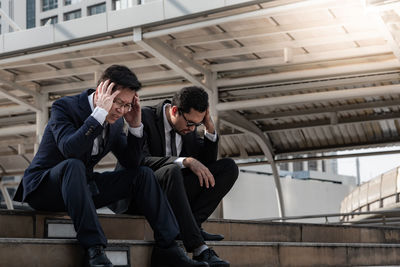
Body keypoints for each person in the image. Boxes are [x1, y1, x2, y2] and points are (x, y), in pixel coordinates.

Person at [13, 65, 208, 267]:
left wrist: (135, 127)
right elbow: (70, 149)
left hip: (81, 191)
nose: (122, 110)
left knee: (142, 174)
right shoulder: (65, 107)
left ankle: (168, 249)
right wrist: (98, 114)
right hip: (44, 188)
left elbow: (132, 162)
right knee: (73, 165)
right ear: (101, 93)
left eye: (127, 105)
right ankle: (94, 250)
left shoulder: (115, 123)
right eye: (118, 103)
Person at [115, 86, 238, 266]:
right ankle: (198, 247)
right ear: (174, 110)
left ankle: (192, 226)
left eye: (197, 124)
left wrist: (209, 129)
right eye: (190, 123)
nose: (192, 128)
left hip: (173, 195)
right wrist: (183, 161)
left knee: (228, 168)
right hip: (140, 195)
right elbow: (138, 161)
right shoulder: (146, 118)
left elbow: (206, 167)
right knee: (172, 169)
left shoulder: (188, 128)